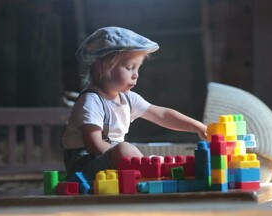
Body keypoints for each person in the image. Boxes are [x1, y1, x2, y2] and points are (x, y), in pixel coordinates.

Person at [62, 26, 207, 180]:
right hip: (85, 166)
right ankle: (152, 173)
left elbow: (162, 115)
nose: (136, 75)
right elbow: (95, 146)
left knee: (137, 154)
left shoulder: (128, 98)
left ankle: (156, 172)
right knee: (126, 149)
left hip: (112, 160)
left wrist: (198, 127)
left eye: (138, 69)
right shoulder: (92, 100)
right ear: (102, 68)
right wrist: (129, 157)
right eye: (130, 68)